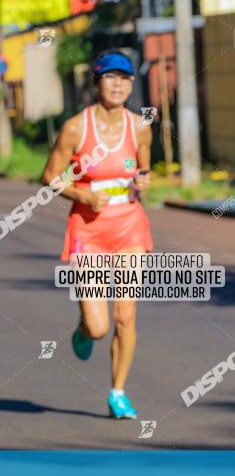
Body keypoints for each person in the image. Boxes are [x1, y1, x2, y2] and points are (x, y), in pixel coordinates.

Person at [41, 50, 153, 419]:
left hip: (129, 225)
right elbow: (50, 176)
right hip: (87, 227)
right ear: (97, 82)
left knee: (125, 317)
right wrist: (80, 193)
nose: (118, 84)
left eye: (125, 78)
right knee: (100, 325)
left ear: (131, 84)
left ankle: (118, 392)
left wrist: (144, 180)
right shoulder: (76, 127)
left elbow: (144, 170)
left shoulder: (140, 127)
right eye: (110, 77)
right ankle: (84, 329)